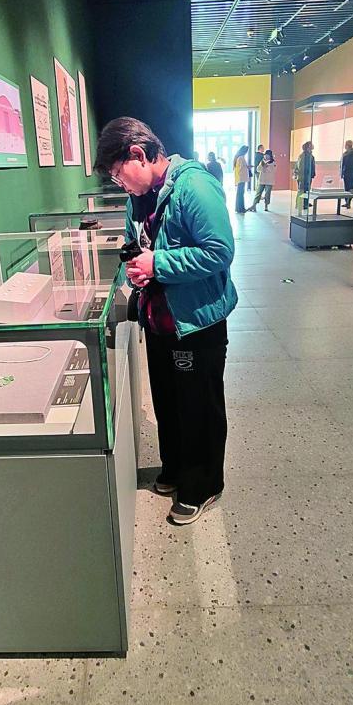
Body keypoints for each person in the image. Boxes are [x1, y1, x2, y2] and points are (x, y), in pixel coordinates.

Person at [95, 117, 237, 526]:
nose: (121, 185)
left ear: (138, 154)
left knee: (198, 406)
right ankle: (175, 469)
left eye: (120, 175)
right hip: (159, 319)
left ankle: (203, 484)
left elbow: (219, 251)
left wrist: (158, 264)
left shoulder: (194, 185)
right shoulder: (139, 197)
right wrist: (137, 271)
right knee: (169, 403)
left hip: (196, 321)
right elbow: (135, 246)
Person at [233, 145, 250, 214]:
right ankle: (240, 208)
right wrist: (246, 167)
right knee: (240, 194)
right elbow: (239, 169)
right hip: (241, 178)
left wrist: (246, 166)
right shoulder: (241, 158)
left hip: (241, 178)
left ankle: (239, 208)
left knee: (240, 193)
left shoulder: (239, 157)